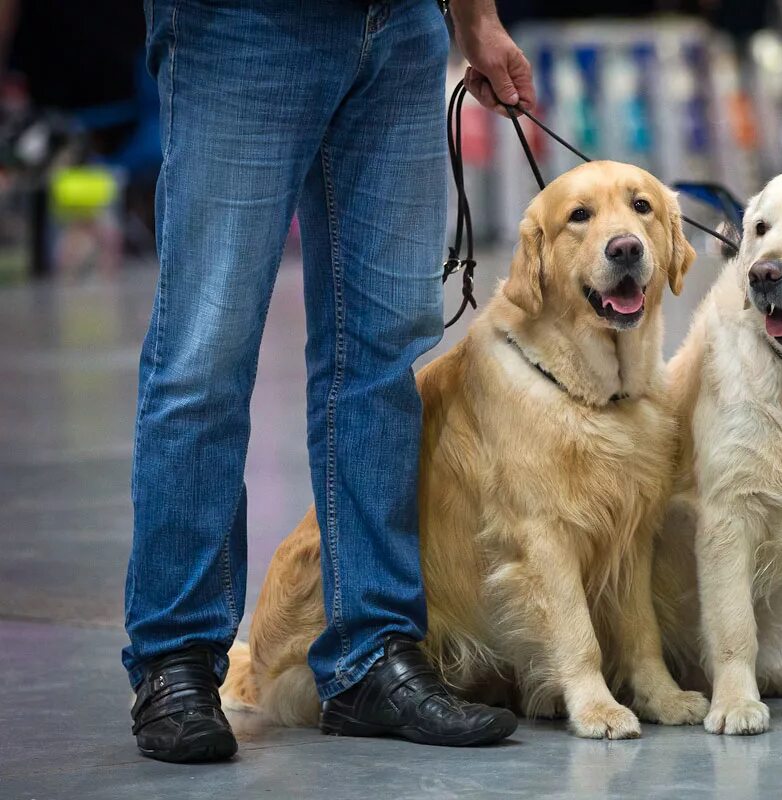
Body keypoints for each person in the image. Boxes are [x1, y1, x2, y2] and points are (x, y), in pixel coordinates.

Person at [123, 0, 535, 763]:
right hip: (242, 24)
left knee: (383, 352)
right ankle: (175, 660)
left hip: (404, 25)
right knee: (205, 352)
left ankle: (372, 653)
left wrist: (475, 15)